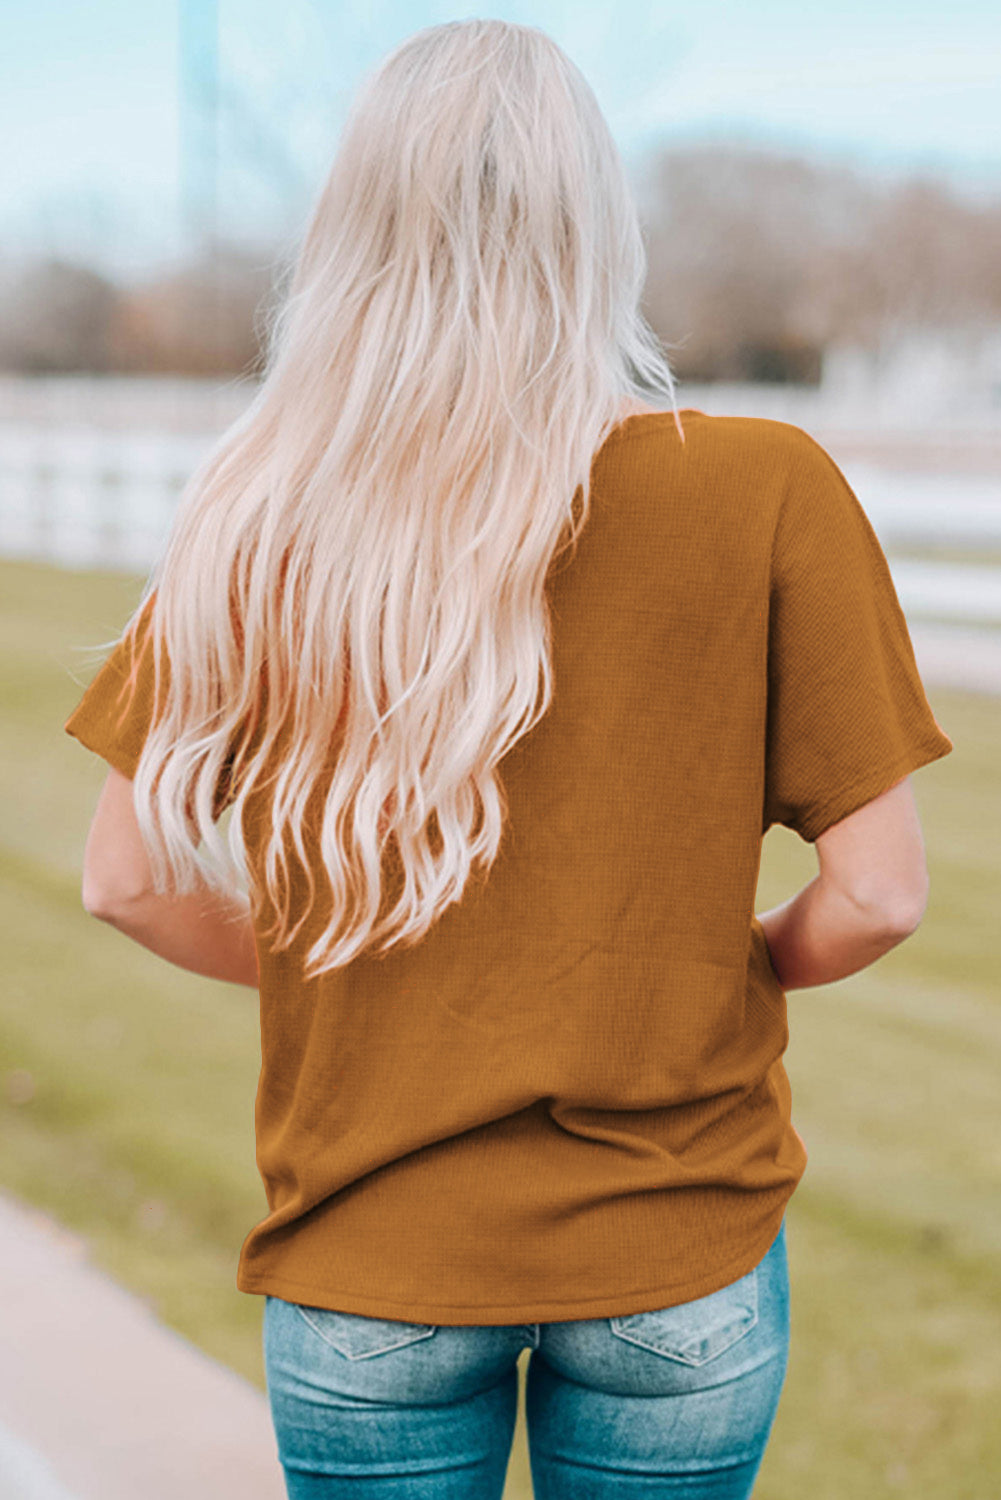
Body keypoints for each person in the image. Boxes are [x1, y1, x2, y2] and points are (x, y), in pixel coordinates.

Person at [63, 18, 954, 1500]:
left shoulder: (262, 512)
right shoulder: (764, 488)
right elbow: (875, 897)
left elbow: (121, 880)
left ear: (351, 234)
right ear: (593, 229)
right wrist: (717, 967)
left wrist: (350, 970)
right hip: (673, 1250)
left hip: (368, 1267)